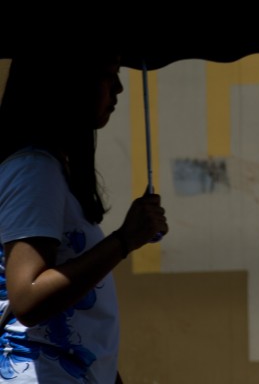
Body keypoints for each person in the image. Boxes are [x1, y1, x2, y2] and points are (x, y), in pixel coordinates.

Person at [0, 52, 169, 383]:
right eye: (107, 75)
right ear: (65, 85)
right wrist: (123, 241)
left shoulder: (53, 170)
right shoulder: (34, 170)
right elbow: (28, 297)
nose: (119, 88)